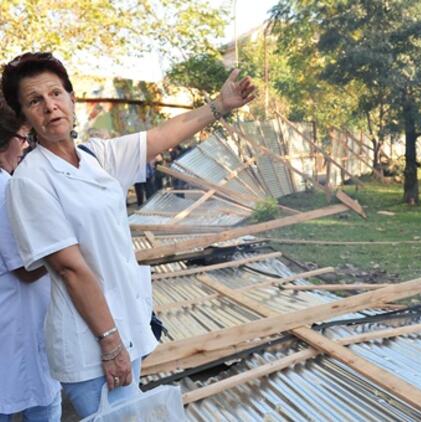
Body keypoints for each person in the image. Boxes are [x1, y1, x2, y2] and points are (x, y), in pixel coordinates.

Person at [1, 52, 255, 418]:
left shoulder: (95, 156)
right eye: (35, 101)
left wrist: (219, 105)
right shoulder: (31, 180)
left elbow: (157, 137)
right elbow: (71, 270)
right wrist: (111, 345)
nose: (50, 107)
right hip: (92, 343)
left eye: (56, 94)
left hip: (125, 328)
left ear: (72, 99)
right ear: (24, 117)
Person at [0, 103, 61, 421]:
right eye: (23, 138)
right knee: (43, 403)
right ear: (6, 141)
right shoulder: (7, 189)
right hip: (18, 324)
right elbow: (24, 268)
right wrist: (63, 256)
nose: (25, 146)